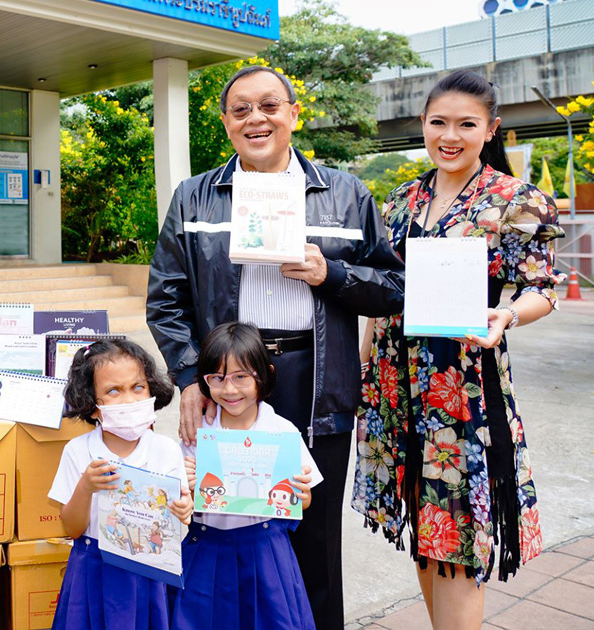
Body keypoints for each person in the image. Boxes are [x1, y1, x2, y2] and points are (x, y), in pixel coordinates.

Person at [147, 65, 405, 630]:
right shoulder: (194, 196)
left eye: (269, 106)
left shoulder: (346, 193)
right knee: (222, 525)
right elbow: (166, 298)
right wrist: (190, 378)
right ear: (225, 122)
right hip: (229, 382)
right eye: (241, 110)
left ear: (293, 113)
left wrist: (331, 273)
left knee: (313, 535)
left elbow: (394, 287)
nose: (256, 119)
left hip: (316, 380)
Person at [353, 70, 562, 630]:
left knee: (459, 540)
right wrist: (363, 368)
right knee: (429, 534)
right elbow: (382, 294)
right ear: (422, 124)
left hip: (462, 389)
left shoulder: (515, 200)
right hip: (395, 385)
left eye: (466, 124)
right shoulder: (401, 199)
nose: (450, 136)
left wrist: (507, 315)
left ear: (490, 129)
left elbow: (544, 288)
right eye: (439, 123)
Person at [170, 322, 319, 630]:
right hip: (207, 550)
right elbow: (183, 503)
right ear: (203, 380)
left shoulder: (282, 431)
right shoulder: (198, 433)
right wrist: (187, 486)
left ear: (264, 375)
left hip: (267, 554)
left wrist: (302, 496)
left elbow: (303, 501)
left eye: (241, 377)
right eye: (217, 378)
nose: (229, 389)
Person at [48, 339, 193, 630]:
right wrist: (86, 487)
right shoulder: (78, 451)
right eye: (113, 391)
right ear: (92, 405)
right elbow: (72, 528)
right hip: (93, 570)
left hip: (148, 571)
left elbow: (178, 517)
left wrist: (184, 509)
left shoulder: (165, 450)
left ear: (152, 389)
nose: (129, 400)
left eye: (138, 387)